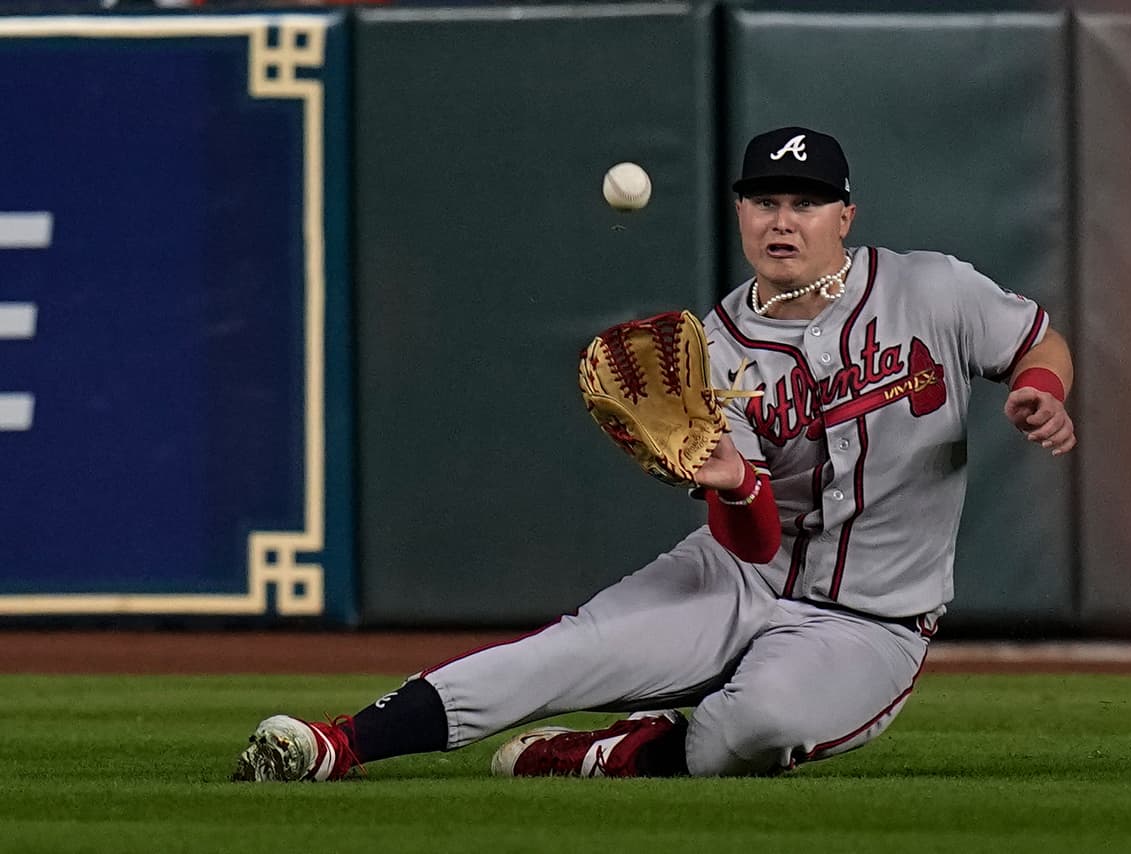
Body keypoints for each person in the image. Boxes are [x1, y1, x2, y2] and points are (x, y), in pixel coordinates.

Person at [232, 125, 1076, 782]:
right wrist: (736, 484)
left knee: (759, 726)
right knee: (561, 654)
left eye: (806, 203)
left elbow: (1039, 342)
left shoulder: (931, 289)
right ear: (741, 213)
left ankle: (609, 754)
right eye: (765, 201)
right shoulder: (710, 350)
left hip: (871, 620)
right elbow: (751, 539)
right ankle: (336, 744)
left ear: (845, 216)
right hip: (737, 575)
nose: (784, 221)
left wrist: (1043, 390)